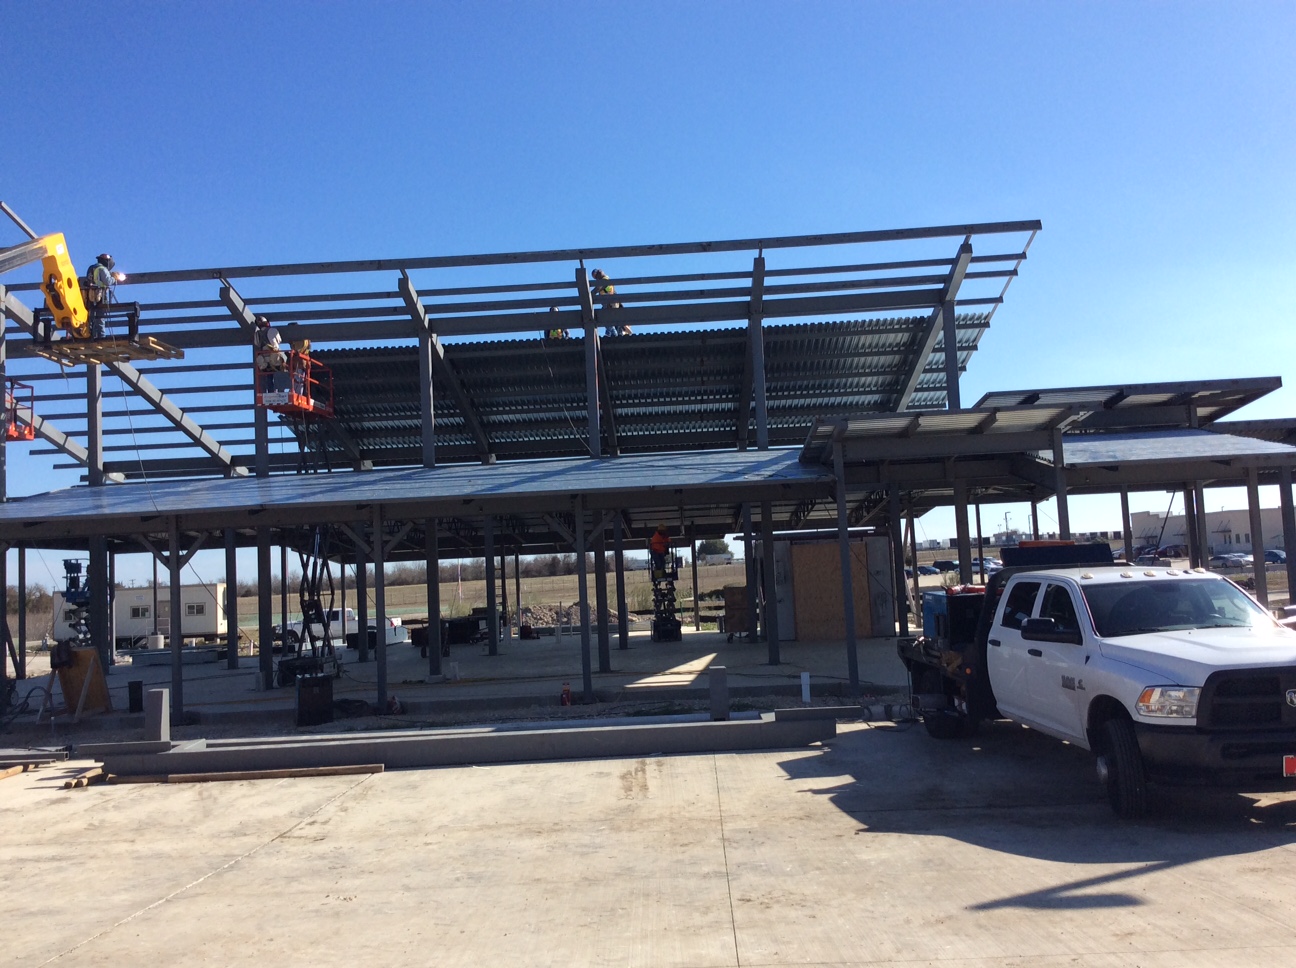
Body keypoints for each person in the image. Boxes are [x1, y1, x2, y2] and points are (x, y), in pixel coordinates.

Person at [82, 253, 120, 339]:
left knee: (91, 316)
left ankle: (91, 335)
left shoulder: (91, 268)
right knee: (100, 317)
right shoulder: (102, 269)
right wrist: (114, 278)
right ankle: (101, 337)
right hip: (100, 295)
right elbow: (108, 282)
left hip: (90, 295)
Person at [591, 269, 630, 337]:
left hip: (609, 304)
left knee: (605, 318)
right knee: (615, 320)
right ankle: (619, 335)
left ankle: (613, 334)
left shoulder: (604, 280)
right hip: (613, 304)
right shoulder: (607, 280)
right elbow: (614, 292)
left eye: (596, 277)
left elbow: (596, 290)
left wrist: (588, 295)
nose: (596, 279)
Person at [253, 315, 287, 391]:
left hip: (264, 359)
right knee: (280, 373)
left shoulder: (257, 334)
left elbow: (257, 344)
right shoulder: (272, 330)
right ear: (267, 323)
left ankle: (271, 392)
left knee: (269, 377)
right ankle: (280, 391)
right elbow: (279, 340)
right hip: (274, 357)